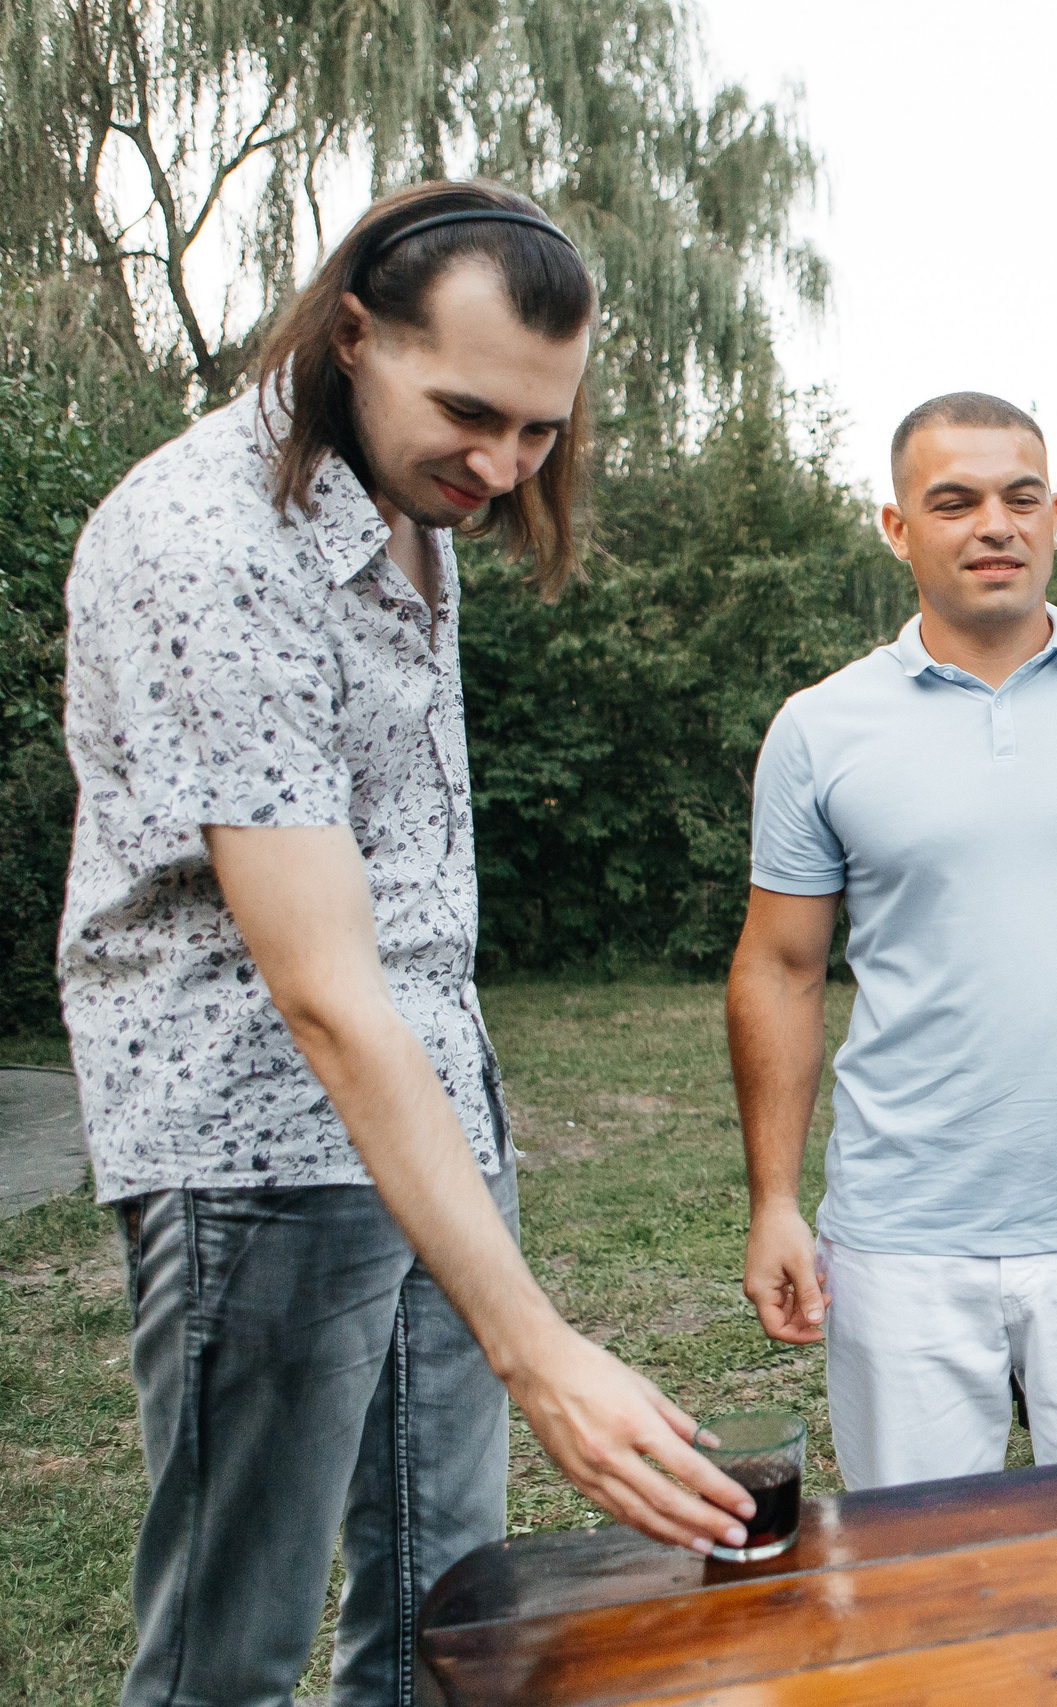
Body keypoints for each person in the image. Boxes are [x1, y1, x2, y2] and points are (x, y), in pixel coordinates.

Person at [56, 181, 755, 1707]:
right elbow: (317, 985)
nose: (504, 466)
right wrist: (535, 1342)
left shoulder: (403, 505)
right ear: (352, 332)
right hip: (253, 1146)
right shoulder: (209, 541)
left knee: (453, 1619)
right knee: (224, 1655)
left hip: (425, 1113)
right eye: (471, 412)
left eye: (542, 431)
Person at [728, 391, 1057, 1489]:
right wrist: (774, 1200)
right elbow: (781, 967)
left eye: (1021, 497)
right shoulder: (822, 727)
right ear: (897, 527)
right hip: (902, 1236)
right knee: (919, 1588)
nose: (995, 525)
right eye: (954, 501)